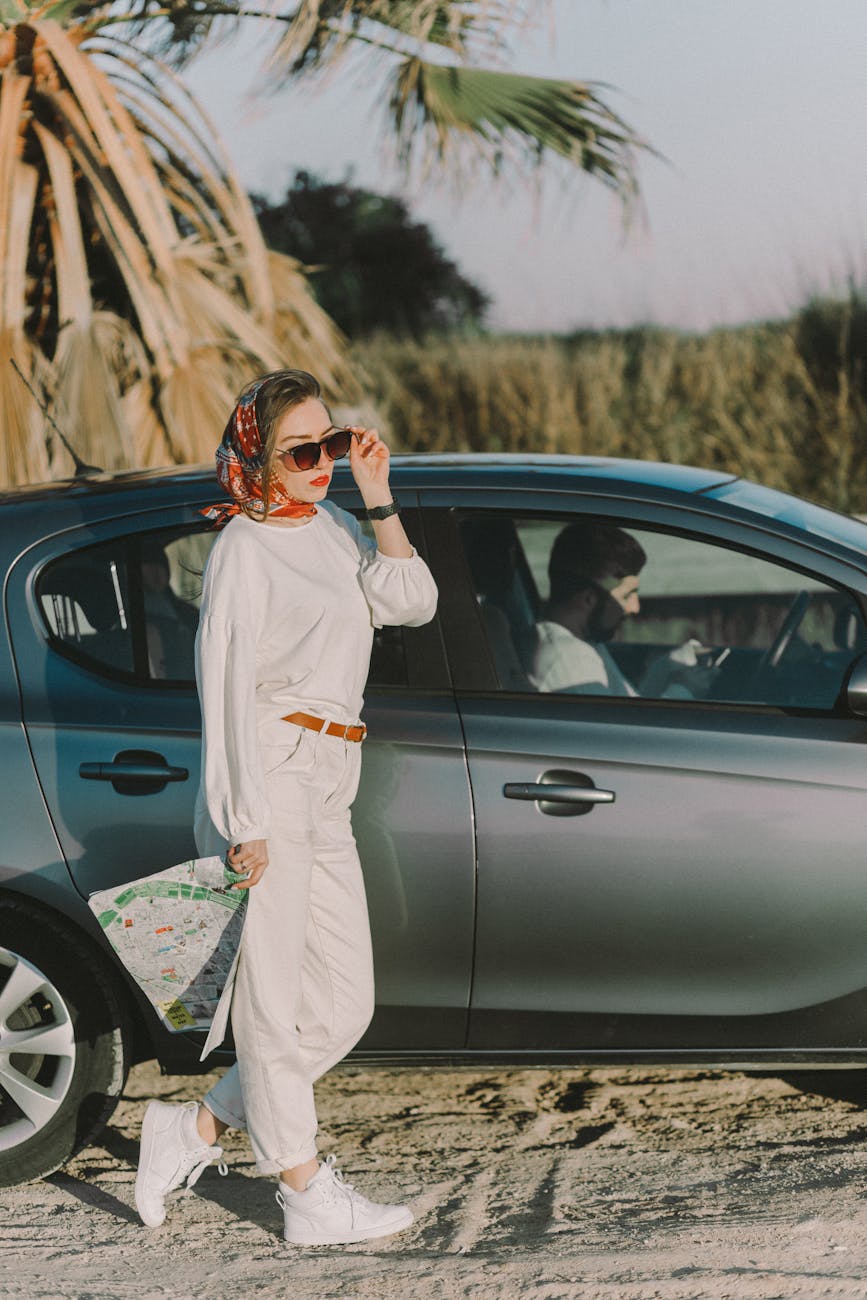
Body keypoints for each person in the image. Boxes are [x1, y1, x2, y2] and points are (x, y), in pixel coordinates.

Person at [134, 369, 438, 1245]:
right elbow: (222, 687)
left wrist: (377, 498)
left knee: (343, 1002)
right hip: (269, 772)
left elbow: (409, 603)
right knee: (269, 1006)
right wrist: (242, 820)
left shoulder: (337, 526)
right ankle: (305, 1194)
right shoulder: (242, 550)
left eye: (331, 444)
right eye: (300, 451)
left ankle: (191, 1129)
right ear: (254, 459)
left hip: (330, 774)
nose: (321, 462)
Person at [532, 521, 714, 698]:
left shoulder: (584, 644)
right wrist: (684, 690)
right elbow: (617, 729)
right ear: (589, 599)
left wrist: (663, 669)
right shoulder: (570, 662)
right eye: (626, 596)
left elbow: (627, 708)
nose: (635, 608)